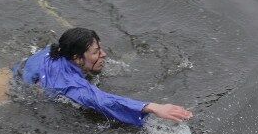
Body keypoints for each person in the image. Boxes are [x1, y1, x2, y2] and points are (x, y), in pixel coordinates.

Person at [12, 27, 193, 127]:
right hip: (9, 84)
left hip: (25, 68)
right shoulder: (70, 85)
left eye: (101, 49)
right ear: (76, 58)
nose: (104, 55)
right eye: (96, 52)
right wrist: (152, 107)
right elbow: (103, 101)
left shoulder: (60, 49)